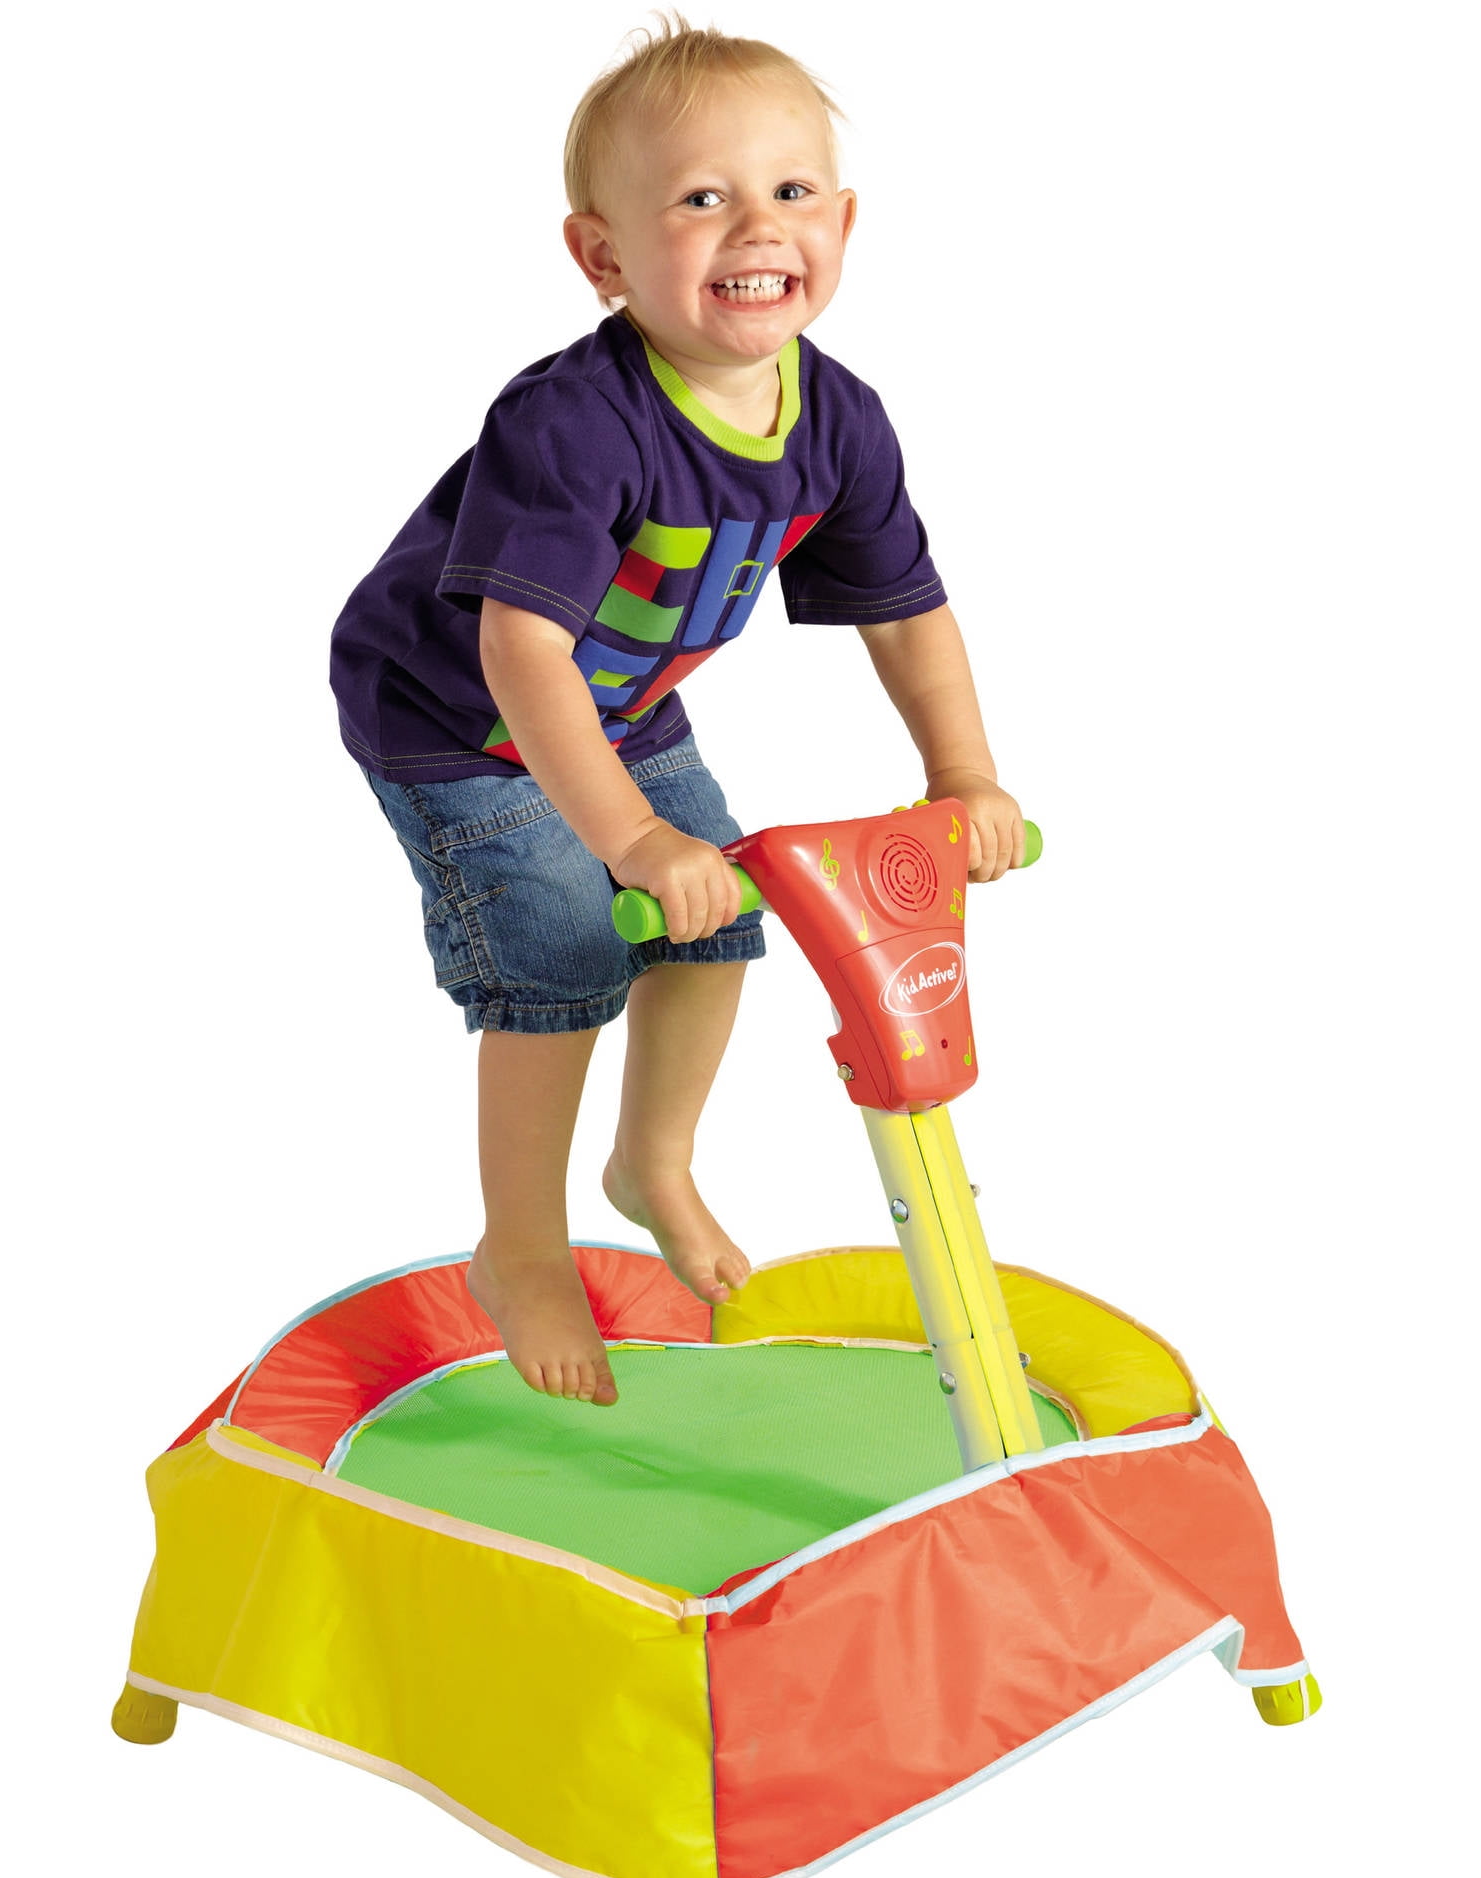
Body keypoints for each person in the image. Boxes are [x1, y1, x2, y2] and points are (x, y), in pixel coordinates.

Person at [330, 15, 1025, 1408]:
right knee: (564, 947)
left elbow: (905, 610)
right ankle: (522, 1251)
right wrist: (634, 843)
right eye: (702, 198)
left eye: (791, 191)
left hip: (621, 706)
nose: (756, 227)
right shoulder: (574, 424)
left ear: (843, 223)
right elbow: (523, 650)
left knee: (723, 917)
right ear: (602, 256)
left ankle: (651, 1163)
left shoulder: (839, 421)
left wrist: (964, 775)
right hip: (458, 711)